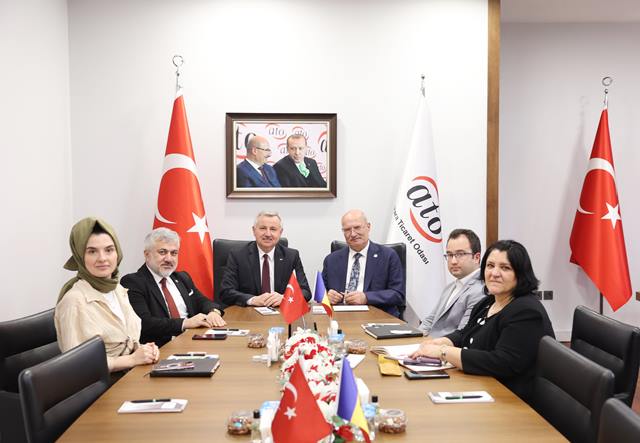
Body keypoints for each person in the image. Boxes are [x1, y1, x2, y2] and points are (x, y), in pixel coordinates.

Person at [410, 239, 555, 403]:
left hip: (511, 399)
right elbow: (466, 333)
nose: (494, 273)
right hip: (483, 385)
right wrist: (442, 341)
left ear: (520, 274)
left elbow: (501, 363)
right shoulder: (489, 301)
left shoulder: (526, 312)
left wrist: (443, 352)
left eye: (505, 268)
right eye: (490, 266)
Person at [55, 218, 159, 377]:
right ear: (79, 256)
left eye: (109, 250)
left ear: (117, 253)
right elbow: (76, 365)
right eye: (92, 251)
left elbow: (127, 339)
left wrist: (145, 350)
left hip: (131, 375)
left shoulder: (117, 289)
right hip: (104, 385)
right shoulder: (74, 301)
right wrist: (131, 360)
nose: (102, 258)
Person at [121, 228, 226, 347]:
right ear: (147, 255)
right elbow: (144, 323)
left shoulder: (182, 278)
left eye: (174, 253)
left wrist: (213, 312)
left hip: (193, 341)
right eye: (162, 252)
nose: (169, 259)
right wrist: (185, 323)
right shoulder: (133, 282)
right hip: (160, 348)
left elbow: (202, 301)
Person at [322, 209, 405, 318]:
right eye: (347, 230)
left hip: (377, 316)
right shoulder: (331, 260)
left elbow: (398, 294)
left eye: (357, 227)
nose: (353, 234)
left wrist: (366, 297)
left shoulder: (388, 256)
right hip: (339, 317)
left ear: (368, 227)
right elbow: (321, 292)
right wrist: (327, 297)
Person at [220, 211, 312, 306]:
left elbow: (305, 292)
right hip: (248, 312)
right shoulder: (238, 255)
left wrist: (285, 298)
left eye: (273, 229)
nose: (268, 234)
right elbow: (226, 292)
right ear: (254, 230)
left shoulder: (291, 256)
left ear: (280, 232)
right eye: (263, 228)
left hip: (280, 311)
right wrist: (252, 300)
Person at [419, 229, 485, 337]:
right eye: (449, 255)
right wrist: (414, 338)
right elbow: (430, 320)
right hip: (427, 343)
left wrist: (426, 343)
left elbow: (462, 334)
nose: (453, 261)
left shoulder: (481, 291)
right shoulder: (450, 287)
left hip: (445, 346)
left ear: (476, 258)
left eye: (460, 254)